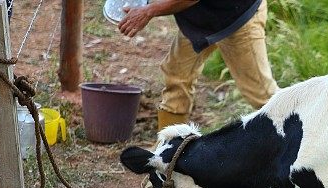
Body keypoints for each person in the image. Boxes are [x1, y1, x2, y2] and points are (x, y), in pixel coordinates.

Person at [118, 0, 279, 130]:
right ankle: (171, 146)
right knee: (177, 75)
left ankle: (297, 145)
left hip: (236, 17)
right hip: (199, 18)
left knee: (261, 93)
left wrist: (148, 10)